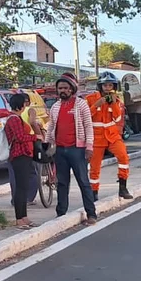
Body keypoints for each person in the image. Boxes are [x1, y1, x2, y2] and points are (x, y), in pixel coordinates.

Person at [45, 73, 98, 225]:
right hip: (60, 150)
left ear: (72, 89)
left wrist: (89, 147)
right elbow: (51, 127)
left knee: (83, 181)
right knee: (62, 183)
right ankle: (61, 213)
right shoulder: (55, 107)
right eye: (60, 88)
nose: (63, 90)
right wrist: (47, 143)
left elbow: (88, 126)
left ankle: (91, 214)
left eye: (66, 88)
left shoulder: (81, 104)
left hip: (77, 149)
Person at [85, 72, 134, 201]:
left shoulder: (116, 100)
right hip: (96, 137)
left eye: (110, 85)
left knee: (123, 156)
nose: (108, 88)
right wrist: (97, 105)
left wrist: (113, 104)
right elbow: (85, 116)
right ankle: (93, 193)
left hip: (112, 136)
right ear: (100, 86)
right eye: (105, 85)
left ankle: (123, 188)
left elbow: (118, 118)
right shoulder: (90, 98)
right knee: (94, 167)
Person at [5, 94, 40, 228]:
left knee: (24, 187)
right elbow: (20, 137)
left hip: (25, 154)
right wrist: (34, 137)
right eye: (24, 103)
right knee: (20, 188)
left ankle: (24, 217)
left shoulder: (17, 118)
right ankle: (19, 218)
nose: (26, 106)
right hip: (19, 155)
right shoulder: (13, 119)